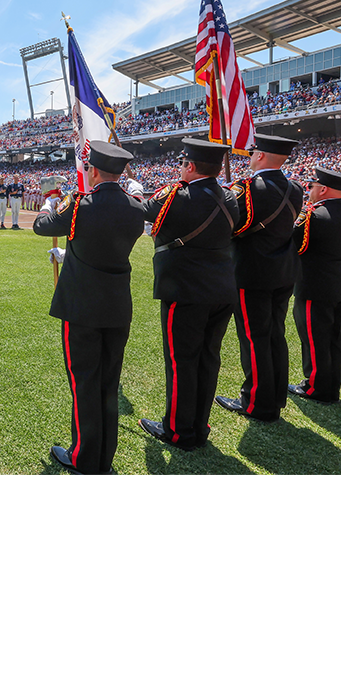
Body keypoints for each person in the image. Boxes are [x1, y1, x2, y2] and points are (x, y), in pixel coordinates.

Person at [33, 141, 145, 475]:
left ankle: (84, 457)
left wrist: (49, 203)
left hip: (82, 305)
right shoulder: (137, 208)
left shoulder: (80, 205)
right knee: (108, 384)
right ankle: (103, 457)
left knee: (84, 382)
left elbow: (42, 226)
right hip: (117, 305)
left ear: (93, 170)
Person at [137, 139, 239, 450]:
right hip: (222, 288)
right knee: (209, 359)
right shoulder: (232, 198)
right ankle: (199, 424)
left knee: (182, 361)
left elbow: (140, 211)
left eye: (183, 164)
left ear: (190, 166)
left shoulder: (176, 196)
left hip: (185, 289)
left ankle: (179, 431)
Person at [215, 133, 305, 423]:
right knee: (275, 335)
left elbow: (234, 227)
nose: (250, 156)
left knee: (254, 339)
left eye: (253, 152)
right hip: (284, 270)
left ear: (261, 156)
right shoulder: (295, 188)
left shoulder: (248, 188)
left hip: (252, 271)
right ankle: (276, 396)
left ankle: (257, 402)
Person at [288, 168, 341, 404]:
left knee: (315, 338)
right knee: (335, 337)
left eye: (312, 187)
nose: (309, 191)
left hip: (316, 287)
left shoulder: (314, 216)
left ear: (323, 189)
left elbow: (295, 245)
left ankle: (316, 387)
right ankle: (331, 387)